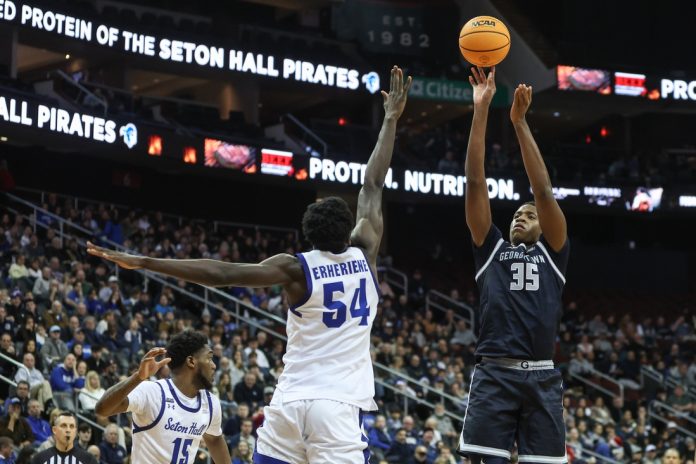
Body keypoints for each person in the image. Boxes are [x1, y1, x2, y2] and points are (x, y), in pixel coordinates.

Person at [87, 65, 412, 464]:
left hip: (289, 402)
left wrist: (146, 261)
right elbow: (373, 184)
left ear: (309, 235)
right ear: (350, 228)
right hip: (338, 407)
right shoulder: (365, 252)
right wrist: (391, 119)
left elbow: (222, 274)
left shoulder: (295, 268)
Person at [456, 66, 570, 464]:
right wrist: (481, 110)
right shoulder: (491, 249)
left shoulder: (554, 251)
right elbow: (475, 182)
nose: (521, 217)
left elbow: (543, 191)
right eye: (517, 215)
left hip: (542, 375)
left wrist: (520, 123)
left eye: (530, 215)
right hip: (495, 373)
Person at [93, 331, 230, 464]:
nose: (214, 365)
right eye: (209, 358)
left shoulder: (211, 403)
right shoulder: (153, 392)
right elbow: (102, 409)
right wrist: (138, 377)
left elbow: (215, 439)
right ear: (191, 361)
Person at [29, 412, 97, 464]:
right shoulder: (39, 459)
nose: (68, 430)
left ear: (75, 432)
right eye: (63, 426)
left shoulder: (88, 460)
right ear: (54, 430)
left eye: (71, 426)